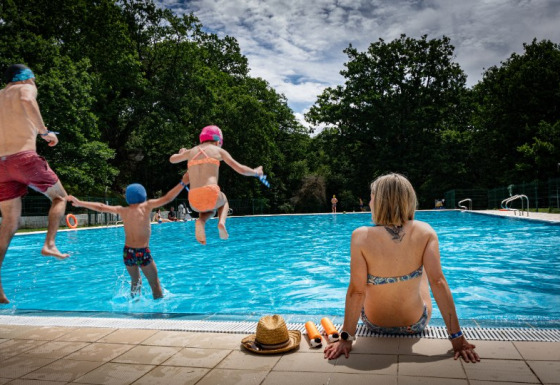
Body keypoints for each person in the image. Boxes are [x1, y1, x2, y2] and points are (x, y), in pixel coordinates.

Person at [324, 173, 480, 363]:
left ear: (380, 201)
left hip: (374, 323)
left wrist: (345, 339)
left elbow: (357, 291)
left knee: (365, 282)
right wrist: (457, 339)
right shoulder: (425, 231)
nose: (369, 202)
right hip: (415, 324)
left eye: (372, 197)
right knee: (425, 273)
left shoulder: (360, 236)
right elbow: (438, 283)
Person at [0, 64, 69, 304]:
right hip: (24, 158)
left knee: (10, 221)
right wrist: (44, 132)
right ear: (26, 78)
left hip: (1, 164)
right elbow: (28, 100)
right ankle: (49, 244)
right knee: (60, 197)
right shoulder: (24, 88)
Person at [67, 173, 189, 299]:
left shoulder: (123, 210)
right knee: (155, 284)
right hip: (143, 252)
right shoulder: (146, 207)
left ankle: (134, 309)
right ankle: (159, 315)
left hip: (128, 252)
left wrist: (80, 202)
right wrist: (183, 182)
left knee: (136, 282)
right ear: (143, 196)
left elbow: (101, 207)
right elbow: (167, 198)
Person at [169, 125, 264, 245]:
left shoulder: (191, 151)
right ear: (218, 141)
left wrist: (181, 153)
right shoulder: (218, 151)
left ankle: (201, 221)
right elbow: (241, 169)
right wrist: (256, 172)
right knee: (223, 200)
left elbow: (172, 159)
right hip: (211, 193)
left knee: (209, 211)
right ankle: (222, 223)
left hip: (193, 199)